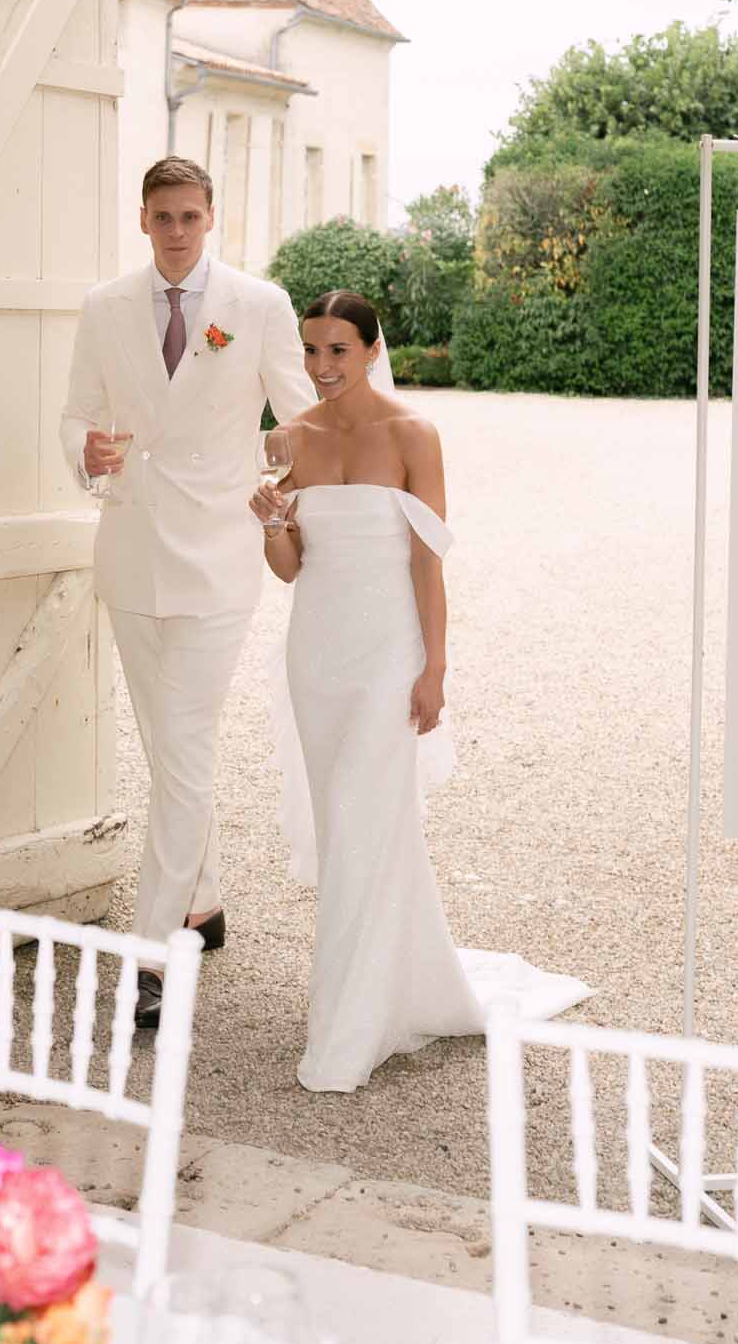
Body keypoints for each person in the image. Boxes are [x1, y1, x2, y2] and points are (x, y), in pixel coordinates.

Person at [251, 289, 589, 1093]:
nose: (321, 367)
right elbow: (291, 569)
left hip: (385, 653)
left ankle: (347, 1021)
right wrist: (270, 520)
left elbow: (425, 564)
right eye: (310, 350)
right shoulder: (287, 438)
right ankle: (392, 983)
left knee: (371, 810)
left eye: (337, 350)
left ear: (371, 349)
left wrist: (434, 666)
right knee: (345, 823)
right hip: (316, 653)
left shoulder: (412, 435)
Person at [60, 157, 314, 1029]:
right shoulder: (104, 308)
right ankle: (201, 904)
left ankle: (150, 951)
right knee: (169, 749)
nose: (176, 231)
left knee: (185, 748)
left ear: (211, 218)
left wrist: (288, 493)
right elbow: (75, 412)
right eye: (162, 216)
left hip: (215, 556)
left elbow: (299, 420)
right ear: (142, 219)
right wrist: (83, 451)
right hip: (131, 551)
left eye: (190, 216)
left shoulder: (258, 305)